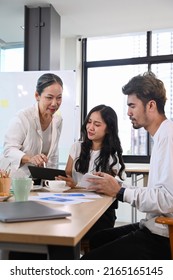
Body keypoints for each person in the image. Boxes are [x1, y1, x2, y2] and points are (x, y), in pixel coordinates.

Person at [81, 71, 173, 260]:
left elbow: (166, 200)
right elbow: (159, 192)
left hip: (162, 236)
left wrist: (120, 192)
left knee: (89, 260)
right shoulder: (162, 136)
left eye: (132, 106)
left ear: (151, 105)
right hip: (153, 225)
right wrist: (118, 185)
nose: (128, 112)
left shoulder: (168, 138)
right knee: (98, 239)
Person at [56, 104, 125, 246]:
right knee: (59, 229)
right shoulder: (77, 147)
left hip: (100, 212)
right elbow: (67, 177)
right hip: (75, 206)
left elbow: (109, 190)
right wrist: (64, 181)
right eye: (89, 122)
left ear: (108, 129)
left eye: (97, 124)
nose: (90, 127)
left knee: (82, 234)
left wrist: (76, 185)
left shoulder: (112, 155)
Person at [1, 73, 63, 177]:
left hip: (40, 182)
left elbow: (53, 156)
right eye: (49, 97)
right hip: (15, 179)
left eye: (59, 98)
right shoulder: (23, 117)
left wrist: (53, 179)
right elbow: (9, 149)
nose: (54, 103)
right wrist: (30, 158)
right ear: (37, 96)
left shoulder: (58, 120)